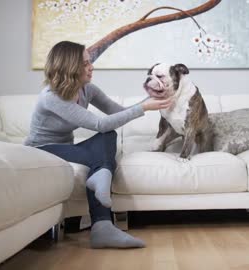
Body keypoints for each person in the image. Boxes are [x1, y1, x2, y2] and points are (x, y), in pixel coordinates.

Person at [24, 41, 172, 249]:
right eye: (85, 63)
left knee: (107, 137)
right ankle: (102, 218)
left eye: (89, 62)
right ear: (70, 67)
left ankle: (103, 226)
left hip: (67, 147)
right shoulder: (51, 97)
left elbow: (117, 112)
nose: (91, 67)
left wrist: (150, 99)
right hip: (41, 150)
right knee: (103, 147)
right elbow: (99, 123)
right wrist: (144, 108)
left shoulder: (87, 89)